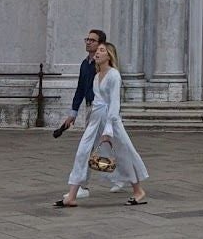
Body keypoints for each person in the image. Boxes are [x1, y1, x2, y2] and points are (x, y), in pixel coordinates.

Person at [55, 41, 148, 206]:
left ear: (109, 56)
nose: (97, 53)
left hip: (111, 121)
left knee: (124, 154)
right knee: (82, 152)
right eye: (97, 50)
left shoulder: (114, 75)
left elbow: (114, 103)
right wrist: (92, 121)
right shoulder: (97, 77)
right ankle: (71, 196)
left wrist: (109, 129)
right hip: (95, 120)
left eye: (101, 50)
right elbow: (97, 101)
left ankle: (138, 190)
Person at [55, 28, 103, 137]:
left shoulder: (103, 64)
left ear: (100, 44)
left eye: (92, 40)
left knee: (92, 143)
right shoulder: (85, 64)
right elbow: (80, 89)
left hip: (100, 108)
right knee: (91, 144)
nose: (88, 42)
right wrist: (73, 113)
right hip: (89, 107)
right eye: (87, 39)